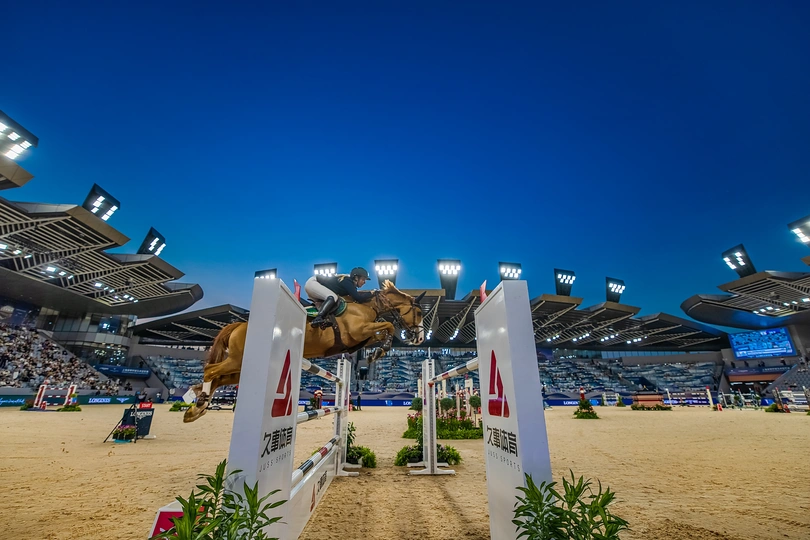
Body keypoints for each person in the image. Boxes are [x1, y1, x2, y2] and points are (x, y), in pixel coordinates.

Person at [305, 267, 375, 328]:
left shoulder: (350, 284)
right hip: (314, 283)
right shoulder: (348, 281)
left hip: (315, 286)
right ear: (356, 278)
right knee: (333, 297)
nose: (364, 282)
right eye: (363, 279)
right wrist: (371, 293)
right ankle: (318, 317)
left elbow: (356, 296)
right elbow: (358, 298)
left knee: (333, 301)